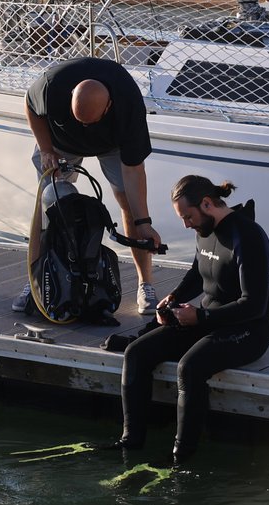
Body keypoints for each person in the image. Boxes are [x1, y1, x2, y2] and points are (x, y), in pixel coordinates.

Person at [111, 175, 269, 465]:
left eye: (188, 217)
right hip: (206, 320)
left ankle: (180, 458)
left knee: (189, 367)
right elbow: (199, 274)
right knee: (136, 353)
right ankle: (130, 443)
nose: (186, 225)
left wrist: (200, 316)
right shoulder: (205, 229)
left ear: (207, 204)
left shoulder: (248, 237)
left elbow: (255, 306)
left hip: (248, 330)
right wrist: (173, 298)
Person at [16, 56, 163, 315]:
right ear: (70, 96)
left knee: (128, 203)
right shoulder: (53, 84)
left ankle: (145, 285)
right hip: (60, 143)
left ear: (109, 106)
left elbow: (133, 170)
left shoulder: (128, 103)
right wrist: (46, 148)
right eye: (79, 120)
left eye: (90, 122)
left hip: (111, 145)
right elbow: (30, 104)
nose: (84, 127)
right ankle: (37, 281)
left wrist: (144, 222)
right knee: (48, 204)